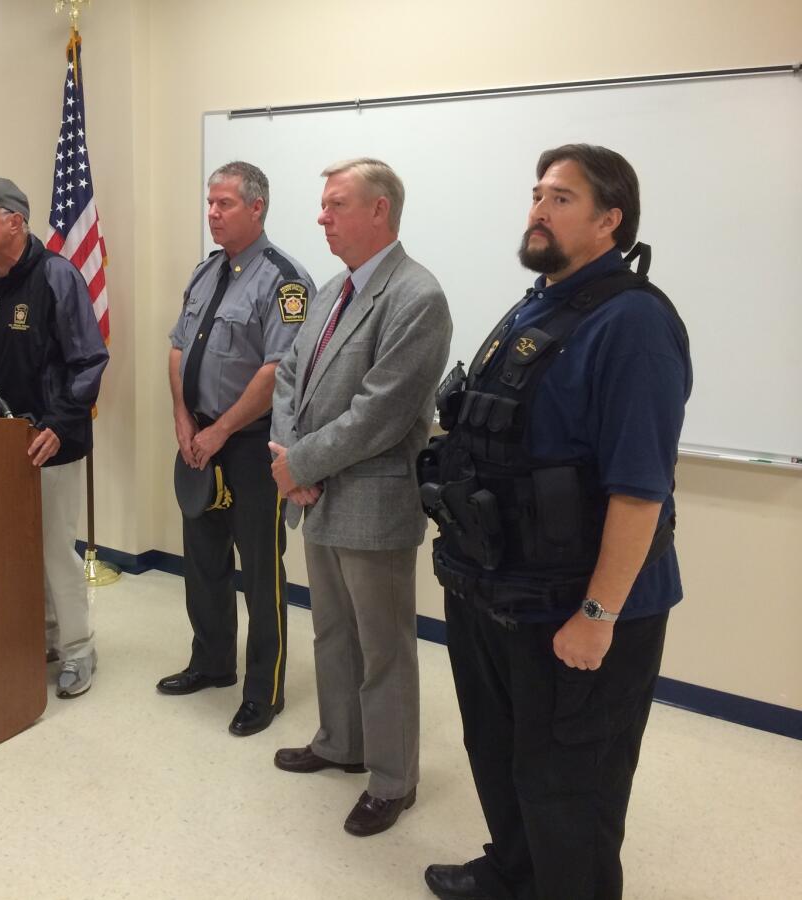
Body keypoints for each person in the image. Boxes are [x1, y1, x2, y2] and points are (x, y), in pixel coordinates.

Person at [419, 144, 691, 899]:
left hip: (577, 609)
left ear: (610, 221)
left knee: (572, 785)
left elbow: (640, 493)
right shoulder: (538, 303)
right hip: (497, 588)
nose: (539, 209)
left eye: (562, 198)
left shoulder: (633, 324)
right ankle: (514, 871)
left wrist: (598, 614)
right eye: (537, 194)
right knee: (502, 752)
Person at [268, 158, 452, 836]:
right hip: (314, 495)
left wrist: (300, 464)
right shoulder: (329, 291)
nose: (321, 217)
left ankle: (393, 779)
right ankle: (340, 743)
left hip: (372, 503)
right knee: (332, 631)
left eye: (335, 204)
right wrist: (293, 463)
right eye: (322, 205)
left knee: (385, 648)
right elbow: (290, 377)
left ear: (380, 210)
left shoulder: (416, 297)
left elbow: (382, 413)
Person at [0, 177, 109, 699]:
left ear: (14, 221)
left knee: (55, 551)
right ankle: (46, 637)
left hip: (49, 441)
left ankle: (79, 650)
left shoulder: (58, 276)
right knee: (13, 550)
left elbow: (88, 360)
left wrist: (58, 423)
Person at [158, 161, 315, 737]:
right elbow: (177, 348)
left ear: (257, 208)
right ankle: (211, 663)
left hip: (251, 448)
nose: (213, 214)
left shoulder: (284, 279)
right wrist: (181, 418)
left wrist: (220, 430)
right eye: (210, 202)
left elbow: (278, 370)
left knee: (260, 572)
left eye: (225, 204)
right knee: (203, 563)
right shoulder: (206, 273)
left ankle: (262, 690)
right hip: (197, 440)